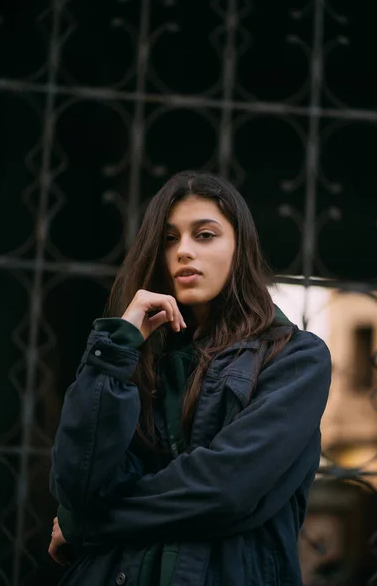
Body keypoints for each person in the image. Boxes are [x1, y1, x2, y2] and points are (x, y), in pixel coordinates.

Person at [49, 170, 331, 586]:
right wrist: (116, 348)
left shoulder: (295, 359)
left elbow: (226, 490)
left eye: (204, 235)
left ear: (240, 247)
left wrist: (87, 526)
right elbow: (77, 482)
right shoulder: (132, 356)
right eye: (168, 238)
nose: (183, 251)